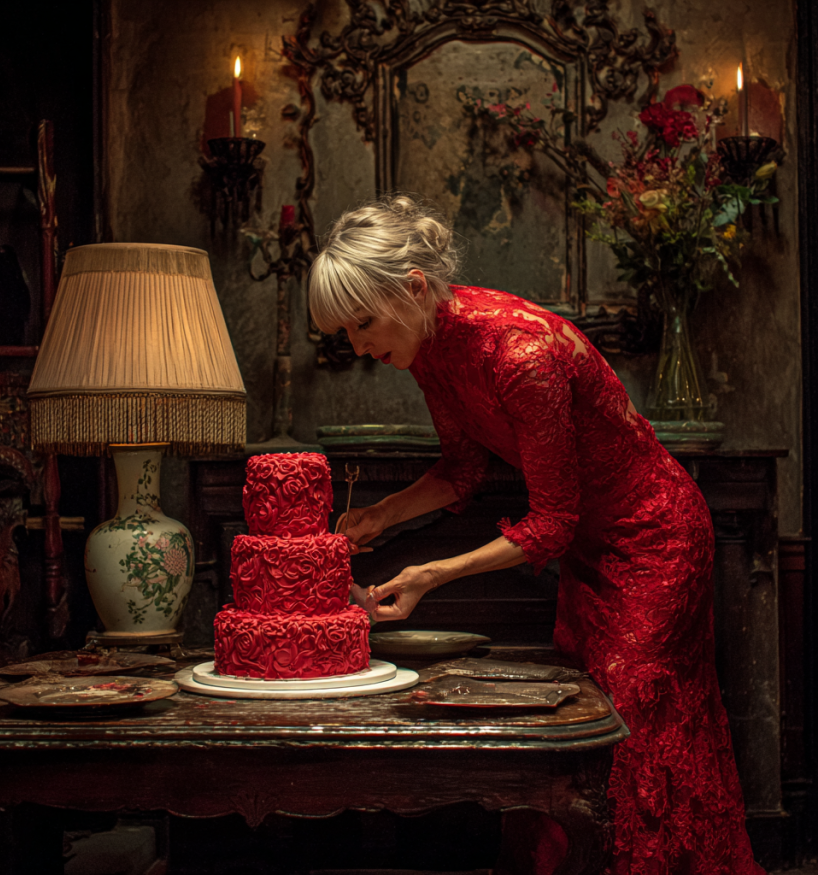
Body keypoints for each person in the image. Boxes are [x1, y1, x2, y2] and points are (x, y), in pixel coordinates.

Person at [308, 195, 765, 875]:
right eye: (345, 332)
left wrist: (428, 576)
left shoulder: (519, 352)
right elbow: (462, 471)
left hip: (656, 537)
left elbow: (549, 522)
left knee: (633, 720)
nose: (359, 347)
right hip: (590, 547)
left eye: (363, 323)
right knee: (578, 729)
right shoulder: (427, 346)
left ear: (411, 288)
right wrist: (382, 513)